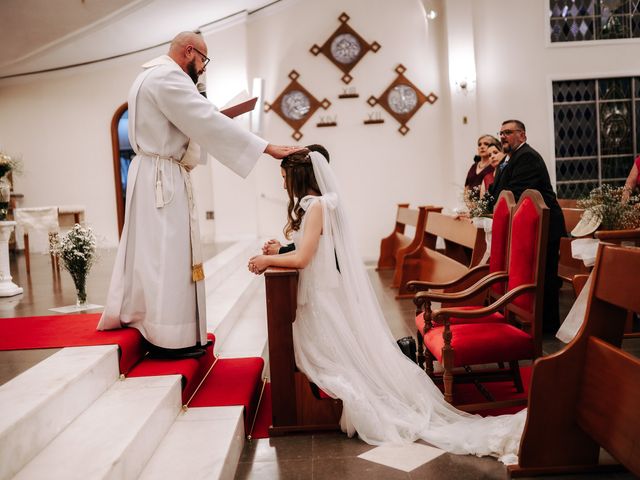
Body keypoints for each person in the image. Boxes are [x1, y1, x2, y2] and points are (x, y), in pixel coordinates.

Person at [248, 148, 526, 463]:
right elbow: (311, 249)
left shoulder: (315, 206)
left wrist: (266, 259)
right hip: (321, 293)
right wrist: (281, 250)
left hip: (321, 298)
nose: (282, 184)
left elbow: (304, 258)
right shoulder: (320, 205)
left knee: (332, 362)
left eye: (284, 177)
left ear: (297, 177)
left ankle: (314, 406)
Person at [97, 31, 302, 358]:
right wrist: (266, 147)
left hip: (156, 175)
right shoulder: (168, 77)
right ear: (189, 51)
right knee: (167, 256)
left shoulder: (153, 74)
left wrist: (206, 100)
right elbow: (204, 120)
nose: (204, 68)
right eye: (203, 60)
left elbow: (195, 120)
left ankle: (165, 329)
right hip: (161, 180)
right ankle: (168, 338)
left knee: (159, 257)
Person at [488, 119, 566, 334]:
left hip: (545, 226)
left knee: (545, 278)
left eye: (508, 132)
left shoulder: (527, 157)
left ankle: (548, 327)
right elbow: (496, 190)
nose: (503, 136)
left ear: (522, 135)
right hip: (531, 226)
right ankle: (532, 320)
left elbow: (516, 192)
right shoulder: (510, 159)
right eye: (501, 132)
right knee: (534, 276)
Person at [262, 143, 330, 255]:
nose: (284, 186)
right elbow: (308, 243)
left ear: (301, 175)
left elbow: (309, 254)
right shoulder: (312, 203)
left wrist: (278, 252)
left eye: (285, 178)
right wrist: (282, 248)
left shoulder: (318, 205)